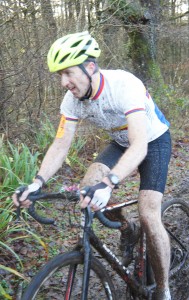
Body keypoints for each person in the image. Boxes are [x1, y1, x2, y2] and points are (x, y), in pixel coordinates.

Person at [12, 31, 172, 300]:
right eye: (59, 75)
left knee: (148, 213)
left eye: (68, 73)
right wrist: (37, 182)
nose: (64, 82)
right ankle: (126, 229)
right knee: (89, 188)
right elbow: (60, 144)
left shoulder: (124, 85)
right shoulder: (72, 100)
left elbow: (139, 145)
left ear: (90, 67)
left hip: (152, 142)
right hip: (121, 143)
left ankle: (164, 290)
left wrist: (110, 183)